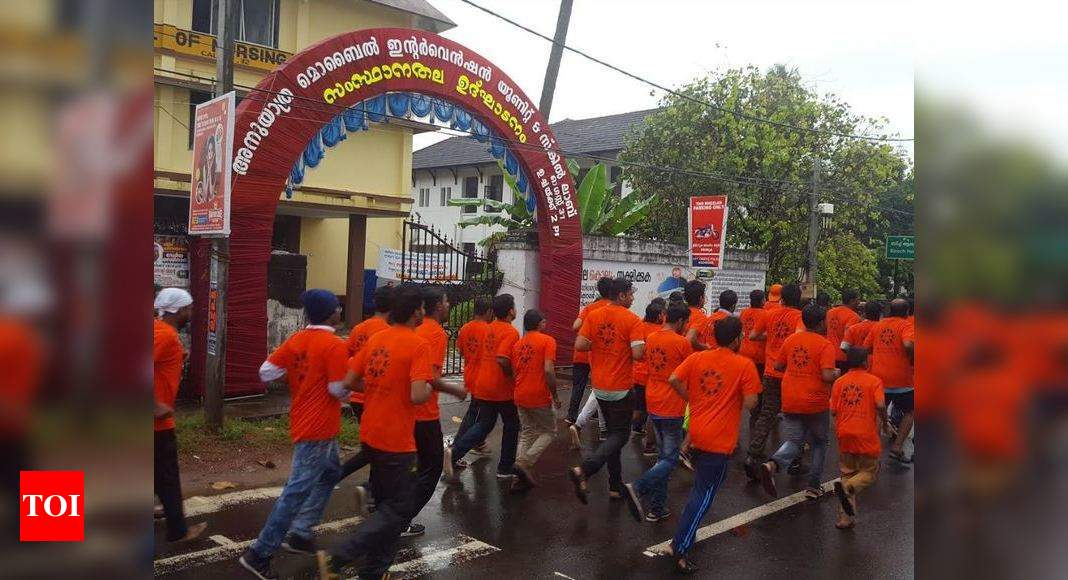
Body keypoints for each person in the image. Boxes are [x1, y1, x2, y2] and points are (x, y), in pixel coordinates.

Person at [316, 286, 434, 580]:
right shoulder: (418, 345)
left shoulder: (377, 338)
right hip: (397, 441)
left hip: (372, 431)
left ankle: (374, 571)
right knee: (399, 510)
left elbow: (350, 380)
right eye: (421, 308)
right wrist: (430, 385)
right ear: (415, 311)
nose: (423, 312)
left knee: (385, 510)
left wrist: (380, 390)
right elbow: (419, 395)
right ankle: (337, 557)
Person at [240, 290, 349, 579]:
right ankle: (259, 552)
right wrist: (356, 387)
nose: (340, 311)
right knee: (295, 491)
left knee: (330, 473)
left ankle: (301, 532)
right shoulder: (334, 345)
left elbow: (265, 372)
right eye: (337, 307)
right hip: (319, 427)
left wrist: (298, 375)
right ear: (330, 313)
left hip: (304, 420)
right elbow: (337, 390)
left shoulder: (297, 340)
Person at [654, 316, 761, 574]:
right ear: (737, 339)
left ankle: (678, 541)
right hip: (719, 440)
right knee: (702, 497)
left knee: (699, 491)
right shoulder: (744, 365)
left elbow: (673, 380)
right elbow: (751, 403)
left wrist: (693, 400)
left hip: (696, 434)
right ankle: (680, 547)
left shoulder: (697, 358)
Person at [568, 278, 646, 503]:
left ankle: (614, 485)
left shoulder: (594, 315)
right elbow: (639, 354)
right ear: (621, 295)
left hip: (600, 386)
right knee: (620, 436)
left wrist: (602, 345)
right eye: (630, 294)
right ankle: (585, 469)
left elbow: (581, 345)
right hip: (620, 387)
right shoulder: (632, 319)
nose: (632, 297)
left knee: (613, 435)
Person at [758, 304, 839, 499]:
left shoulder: (791, 340)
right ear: (821, 323)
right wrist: (837, 373)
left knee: (795, 440)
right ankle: (813, 486)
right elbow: (827, 375)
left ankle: (773, 464)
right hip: (815, 401)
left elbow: (778, 365)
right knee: (820, 442)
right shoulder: (825, 344)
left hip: (791, 398)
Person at [622, 302, 693, 522]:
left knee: (664, 457)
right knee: (670, 459)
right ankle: (638, 487)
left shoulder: (651, 338)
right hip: (672, 404)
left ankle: (657, 507)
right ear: (680, 321)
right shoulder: (682, 343)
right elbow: (689, 373)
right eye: (686, 323)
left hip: (654, 400)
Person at [408, 288, 468, 536]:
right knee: (431, 468)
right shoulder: (435, 333)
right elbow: (431, 378)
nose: (449, 304)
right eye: (445, 301)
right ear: (436, 306)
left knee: (410, 464)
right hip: (424, 413)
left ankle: (379, 497)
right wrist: (456, 390)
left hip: (407, 411)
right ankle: (399, 518)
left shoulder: (415, 329)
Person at [444, 294, 521, 480]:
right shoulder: (510, 332)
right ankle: (505, 468)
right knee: (511, 425)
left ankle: (454, 453)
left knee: (484, 423)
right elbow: (503, 359)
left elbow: (467, 352)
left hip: (482, 383)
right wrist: (512, 374)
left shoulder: (487, 329)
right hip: (500, 387)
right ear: (511, 311)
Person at [153, 288, 207, 543]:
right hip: (156, 423)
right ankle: (178, 531)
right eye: (189, 308)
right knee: (167, 476)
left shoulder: (160, 332)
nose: (191, 313)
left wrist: (175, 359)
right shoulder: (165, 336)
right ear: (179, 311)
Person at [339, 286, 392, 503]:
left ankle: (372, 488)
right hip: (375, 396)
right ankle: (337, 476)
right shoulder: (386, 332)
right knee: (379, 449)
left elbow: (346, 356)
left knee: (375, 447)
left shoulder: (360, 327)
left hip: (357, 397)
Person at [744, 283, 803, 477]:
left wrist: (771, 336)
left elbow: (753, 335)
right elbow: (799, 339)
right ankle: (795, 459)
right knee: (796, 418)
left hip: (770, 371)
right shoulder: (799, 318)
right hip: (791, 375)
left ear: (782, 299)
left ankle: (753, 454)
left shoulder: (768, 315)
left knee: (767, 414)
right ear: (798, 299)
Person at [830, 347, 888, 529]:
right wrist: (885, 421)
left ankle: (845, 519)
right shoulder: (874, 381)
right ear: (865, 362)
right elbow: (880, 404)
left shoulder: (839, 382)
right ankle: (848, 488)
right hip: (865, 435)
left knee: (847, 473)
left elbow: (833, 410)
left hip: (844, 433)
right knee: (869, 473)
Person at [510, 309, 560, 492]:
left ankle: (518, 477)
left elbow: (515, 373)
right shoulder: (548, 341)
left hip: (520, 394)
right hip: (538, 396)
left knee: (527, 433)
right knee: (550, 431)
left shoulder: (518, 345)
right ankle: (524, 462)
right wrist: (554, 396)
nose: (545, 323)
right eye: (544, 321)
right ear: (539, 323)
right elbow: (548, 370)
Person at [862, 298, 915, 463]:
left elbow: (865, 347)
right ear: (907, 312)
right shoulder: (907, 325)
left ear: (889, 310)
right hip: (902, 380)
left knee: (878, 413)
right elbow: (907, 344)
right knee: (910, 412)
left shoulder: (878, 326)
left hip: (879, 378)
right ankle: (897, 447)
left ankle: (873, 451)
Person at [452, 297, 495, 468]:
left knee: (475, 413)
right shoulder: (489, 330)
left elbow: (461, 351)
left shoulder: (465, 328)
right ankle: (456, 450)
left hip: (470, 375)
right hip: (482, 379)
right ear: (489, 311)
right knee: (476, 416)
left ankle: (477, 442)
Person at [566, 277, 613, 425]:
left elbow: (575, 326)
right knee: (599, 387)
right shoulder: (613, 308)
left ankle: (571, 416)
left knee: (578, 386)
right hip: (600, 355)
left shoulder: (589, 308)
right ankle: (597, 418)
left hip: (581, 353)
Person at [632, 300, 666, 446]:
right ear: (659, 316)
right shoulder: (660, 332)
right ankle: (648, 438)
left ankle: (635, 427)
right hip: (650, 374)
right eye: (664, 314)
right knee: (650, 408)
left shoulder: (640, 326)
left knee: (639, 405)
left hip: (637, 373)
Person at [739, 290, 769, 431]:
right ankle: (756, 410)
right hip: (759, 355)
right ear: (762, 300)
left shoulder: (744, 313)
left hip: (744, 352)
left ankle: (750, 407)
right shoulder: (765, 314)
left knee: (747, 383)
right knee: (759, 386)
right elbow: (756, 334)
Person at [826, 290, 861, 370]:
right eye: (858, 299)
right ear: (852, 301)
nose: (859, 302)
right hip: (843, 357)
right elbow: (849, 337)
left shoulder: (829, 312)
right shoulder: (854, 317)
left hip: (828, 354)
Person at [683, 280, 709, 350]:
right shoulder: (700, 317)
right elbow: (690, 339)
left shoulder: (680, 312)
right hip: (692, 357)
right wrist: (706, 347)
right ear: (701, 298)